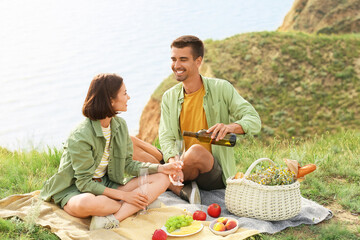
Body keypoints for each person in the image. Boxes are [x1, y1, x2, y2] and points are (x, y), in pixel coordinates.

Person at [40, 73, 182, 230]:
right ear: (110, 100)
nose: (129, 97)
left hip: (108, 186)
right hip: (76, 190)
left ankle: (112, 219)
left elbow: (128, 164)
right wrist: (126, 196)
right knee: (86, 202)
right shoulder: (80, 136)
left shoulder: (119, 125)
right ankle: (138, 203)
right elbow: (83, 183)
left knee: (163, 178)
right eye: (124, 93)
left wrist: (161, 168)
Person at [158, 35, 261, 204]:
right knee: (135, 145)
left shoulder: (221, 88)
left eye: (183, 59)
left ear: (198, 61)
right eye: (174, 59)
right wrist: (172, 161)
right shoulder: (169, 97)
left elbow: (254, 120)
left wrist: (230, 127)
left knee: (196, 151)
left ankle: (171, 184)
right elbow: (166, 136)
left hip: (212, 172)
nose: (176, 65)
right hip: (182, 164)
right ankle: (179, 186)